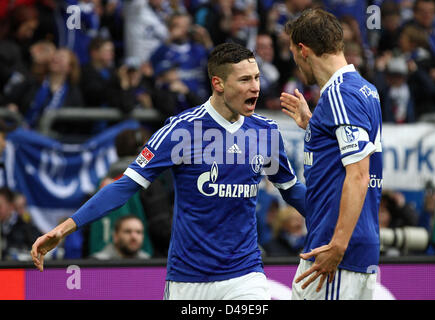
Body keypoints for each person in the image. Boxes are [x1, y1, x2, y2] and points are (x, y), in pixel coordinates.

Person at [30, 42, 308, 300]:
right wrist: (65, 228)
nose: (256, 87)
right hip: (188, 281)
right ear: (218, 83)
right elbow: (125, 185)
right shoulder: (181, 131)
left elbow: (292, 190)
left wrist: (340, 225)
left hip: (245, 275)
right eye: (245, 80)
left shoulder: (265, 133)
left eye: (257, 78)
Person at [281, 8, 383, 300]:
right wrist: (313, 125)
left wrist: (337, 245)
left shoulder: (340, 94)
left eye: (293, 55)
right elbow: (348, 155)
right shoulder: (364, 90)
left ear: (303, 50)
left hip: (334, 253)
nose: (298, 66)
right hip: (350, 249)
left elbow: (359, 175)